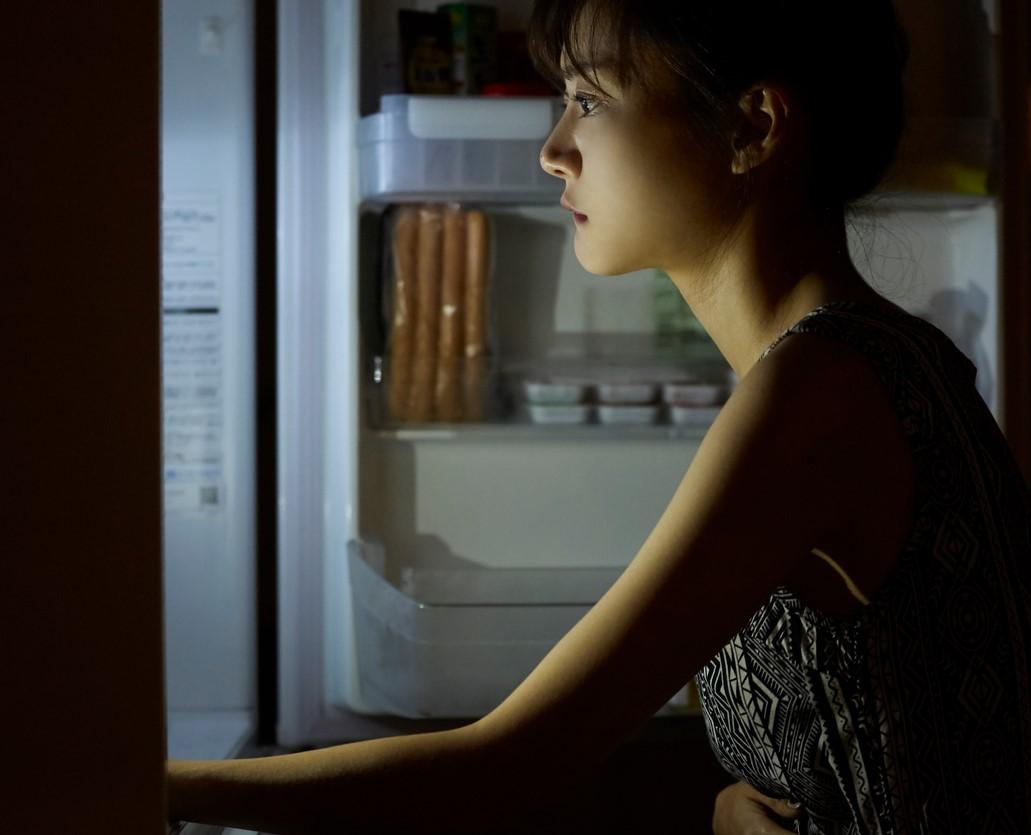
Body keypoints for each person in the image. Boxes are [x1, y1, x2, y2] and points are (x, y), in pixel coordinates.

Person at [168, 1, 1031, 832]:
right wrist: (743, 797)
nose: (552, 150)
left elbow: (500, 766)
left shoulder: (814, 392)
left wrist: (146, 783)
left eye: (588, 100)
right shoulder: (880, 355)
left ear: (752, 128)